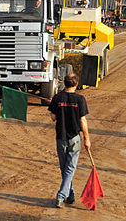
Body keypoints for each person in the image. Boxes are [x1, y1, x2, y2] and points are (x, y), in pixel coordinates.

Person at [48, 73, 91, 208]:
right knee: (70, 168)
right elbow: (82, 120)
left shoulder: (57, 97)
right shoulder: (80, 99)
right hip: (74, 139)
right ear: (76, 84)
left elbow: (53, 118)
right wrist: (87, 139)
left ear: (64, 83)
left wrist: (53, 105)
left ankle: (70, 195)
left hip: (61, 138)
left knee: (65, 168)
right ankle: (61, 196)